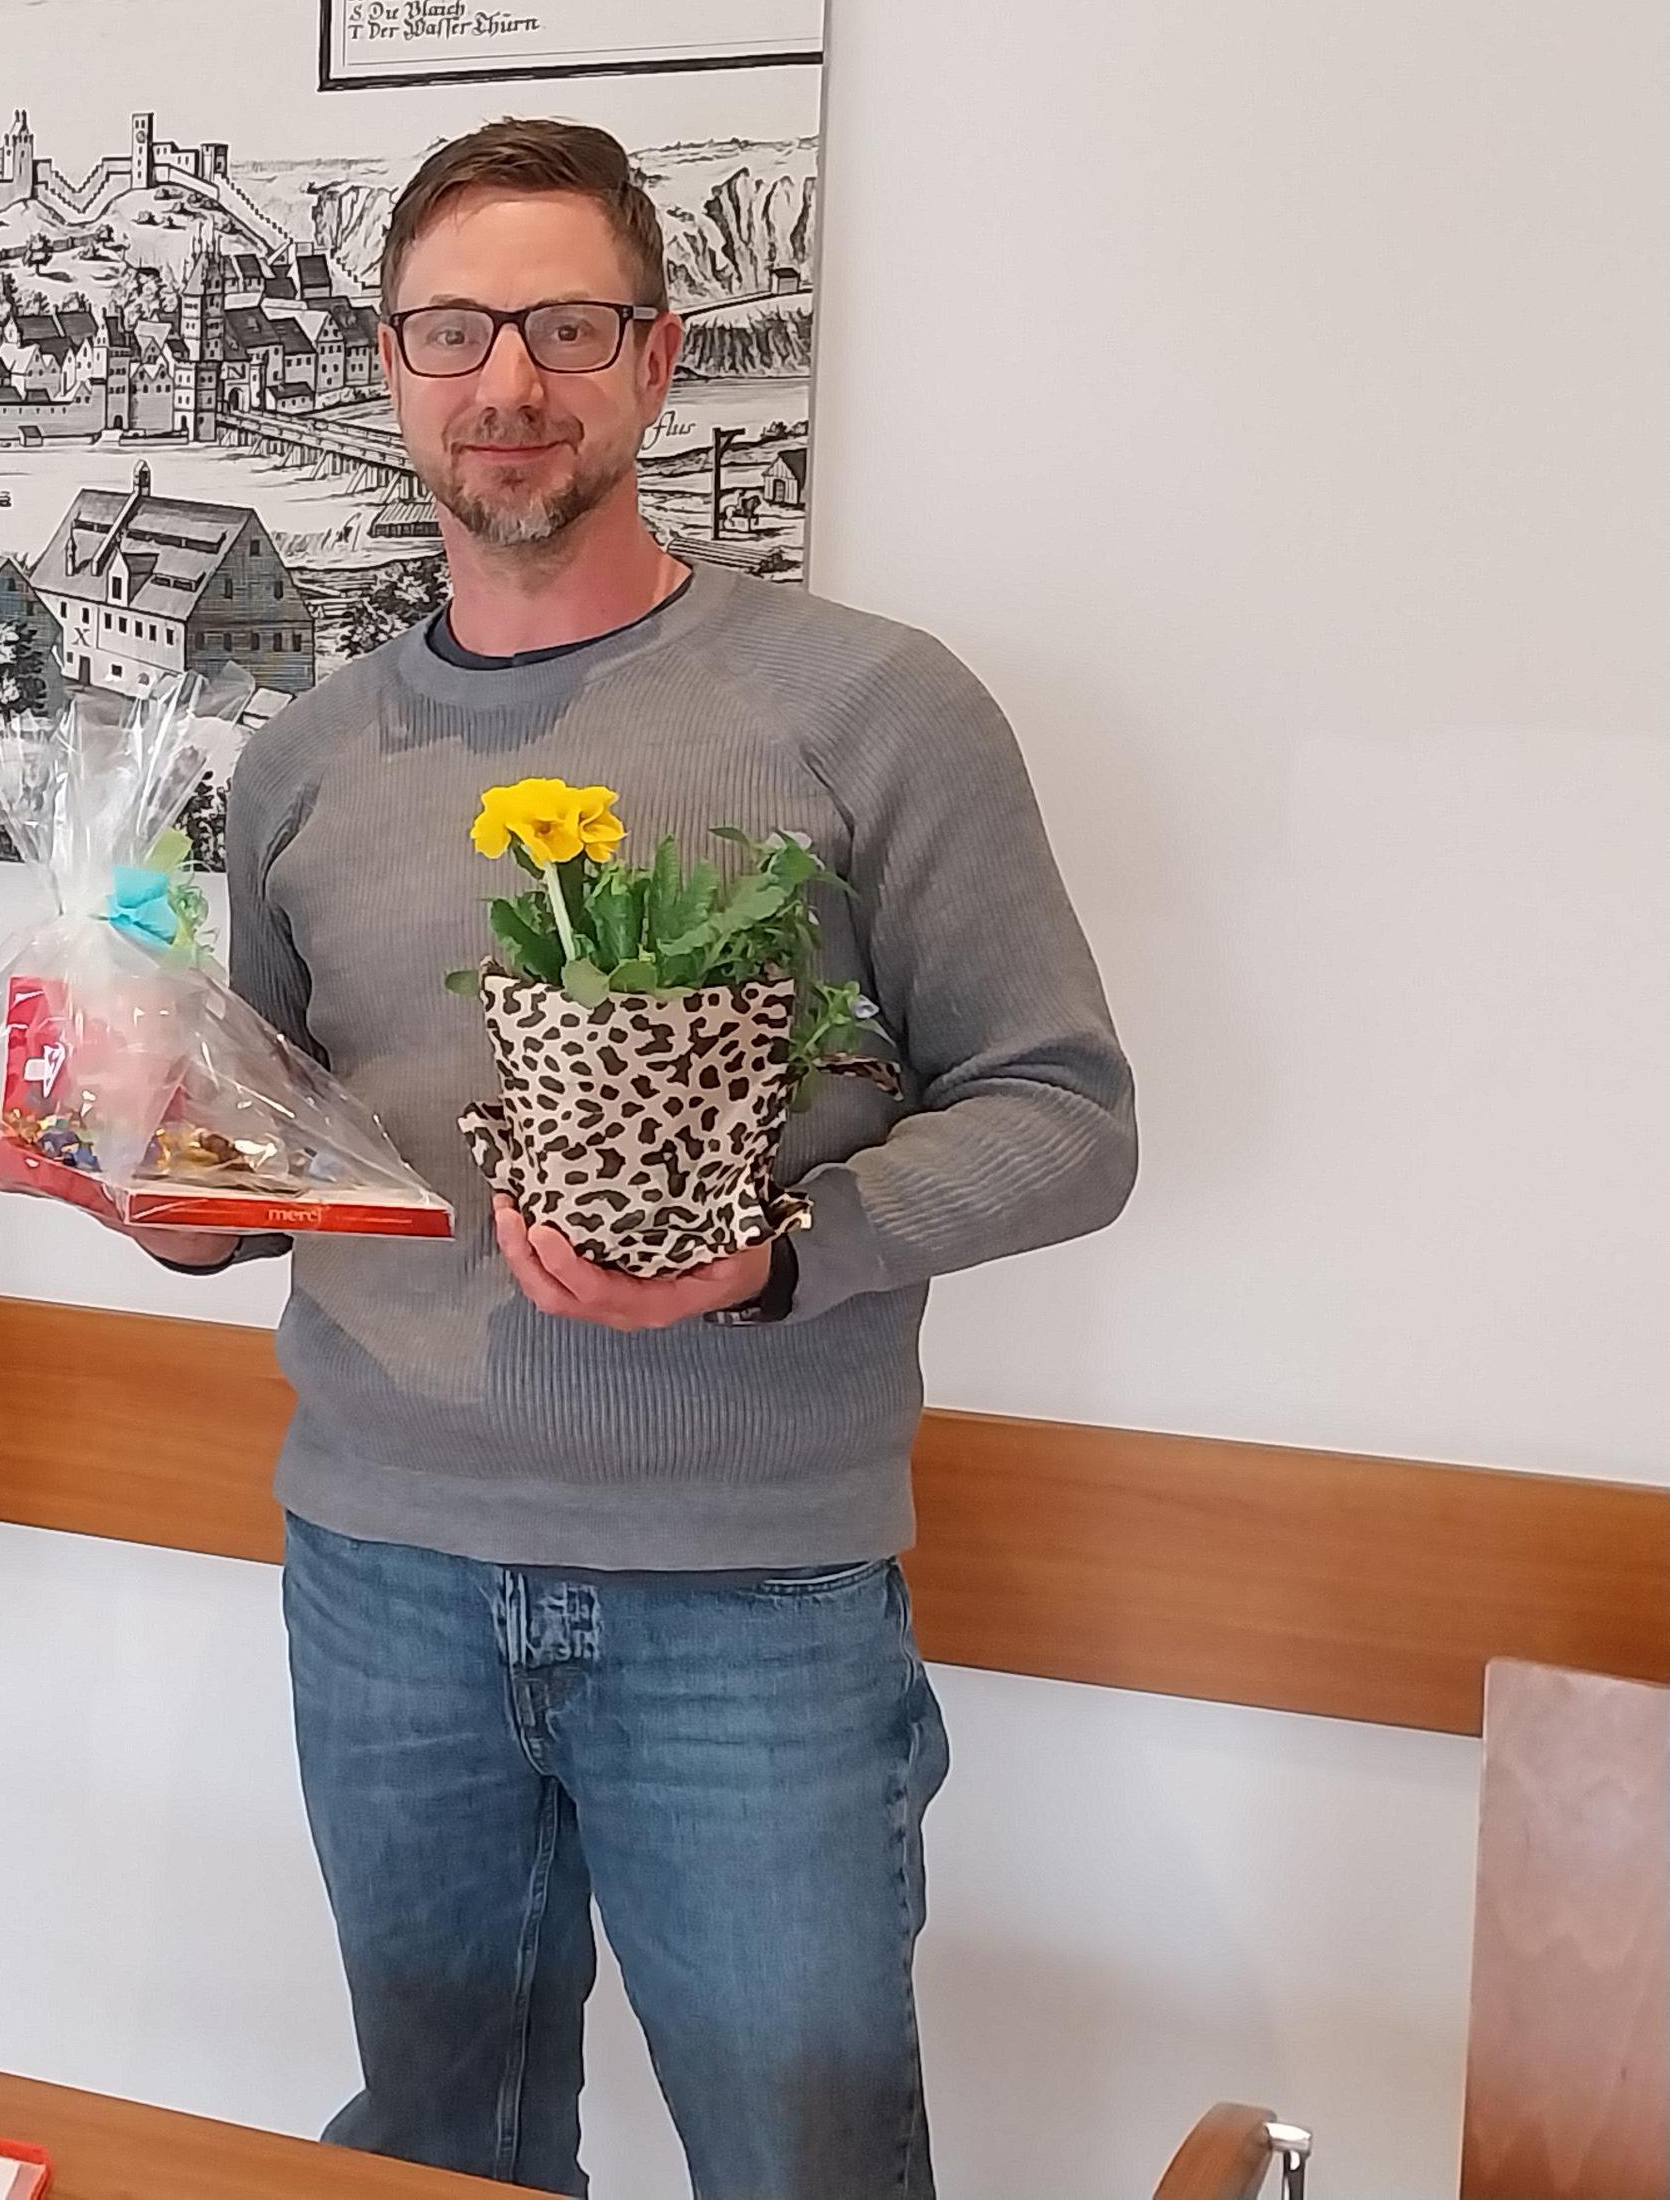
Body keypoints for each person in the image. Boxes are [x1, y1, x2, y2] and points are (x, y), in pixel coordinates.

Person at [201, 117, 1138, 2199]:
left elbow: (1068, 1115)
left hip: (756, 1600)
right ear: (389, 364)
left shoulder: (869, 706)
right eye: (454, 331)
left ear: (657, 356)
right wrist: (137, 1171)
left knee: (807, 2168)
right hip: (383, 1578)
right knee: (433, 2159)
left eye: (564, 326)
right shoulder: (300, 764)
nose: (506, 382)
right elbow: (265, 1152)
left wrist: (781, 1249)